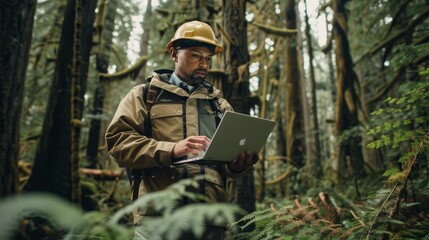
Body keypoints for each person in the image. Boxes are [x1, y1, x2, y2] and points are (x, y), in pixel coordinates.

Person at [105, 20, 258, 240]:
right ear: (174, 53)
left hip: (210, 220)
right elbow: (118, 143)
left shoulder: (220, 105)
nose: (203, 64)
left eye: (207, 58)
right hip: (158, 218)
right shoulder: (145, 95)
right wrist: (172, 149)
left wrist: (239, 165)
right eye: (196, 55)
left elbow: (227, 164)